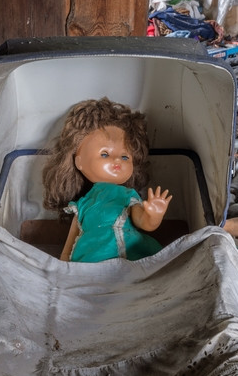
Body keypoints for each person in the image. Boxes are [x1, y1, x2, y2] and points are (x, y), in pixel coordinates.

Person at [42, 98, 172, 262]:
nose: (117, 160)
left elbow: (143, 222)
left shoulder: (126, 195)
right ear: (78, 161)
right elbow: (71, 242)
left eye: (125, 157)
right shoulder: (82, 204)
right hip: (90, 257)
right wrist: (63, 264)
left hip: (126, 255)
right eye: (105, 154)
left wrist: (153, 215)